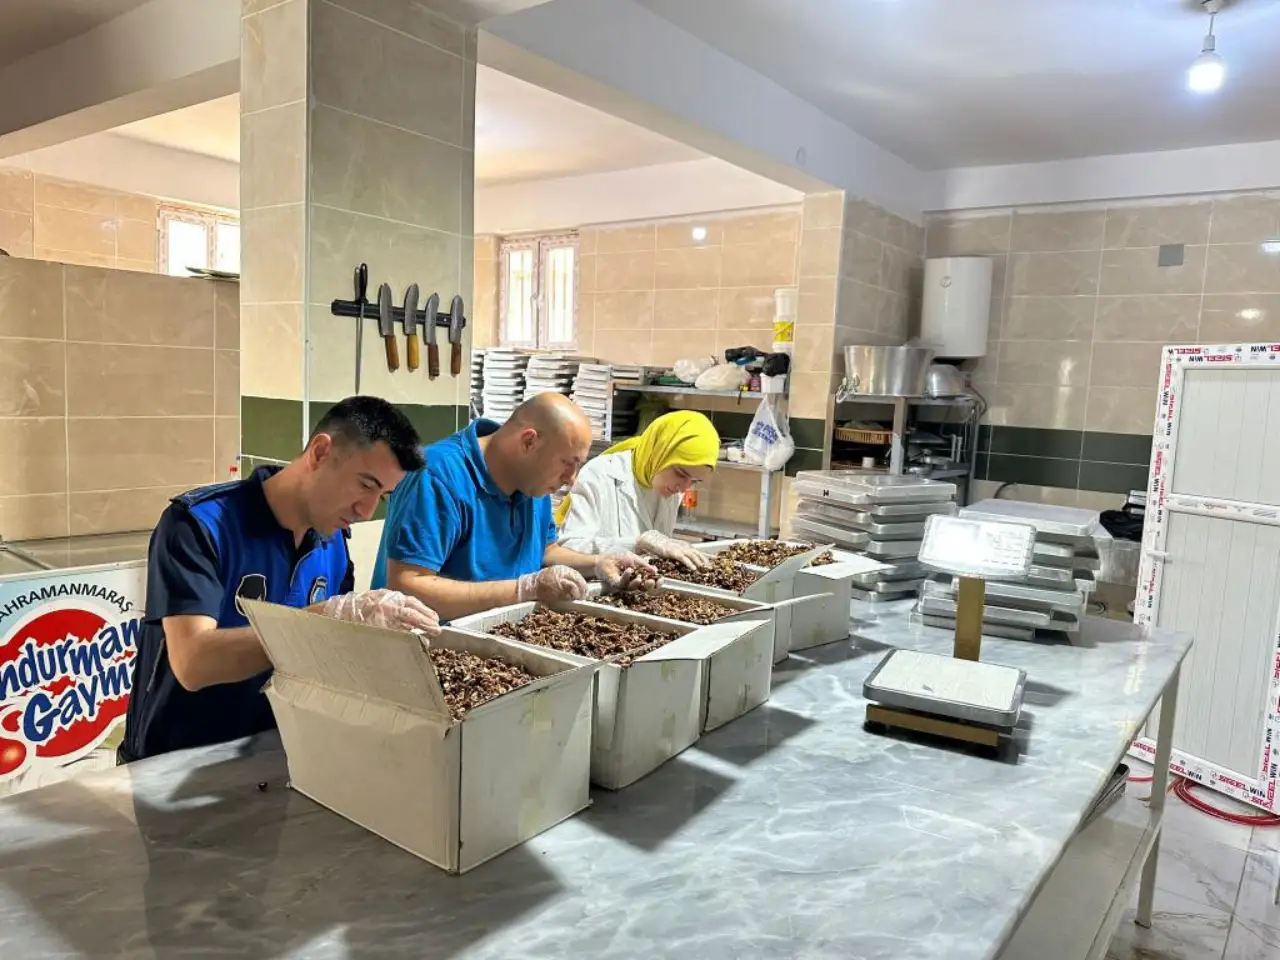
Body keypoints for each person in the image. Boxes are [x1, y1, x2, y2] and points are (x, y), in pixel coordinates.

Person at [121, 396, 441, 763]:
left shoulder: (333, 545)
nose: (366, 511)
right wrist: (325, 619)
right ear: (320, 452)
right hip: (172, 760)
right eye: (365, 485)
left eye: (382, 497)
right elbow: (193, 662)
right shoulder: (200, 525)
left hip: (276, 753)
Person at [374, 393, 655, 620]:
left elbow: (546, 551)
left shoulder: (531, 481)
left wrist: (598, 563)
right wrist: (524, 589)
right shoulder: (436, 476)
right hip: (433, 644)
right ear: (529, 442)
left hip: (500, 637)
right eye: (567, 463)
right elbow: (408, 586)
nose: (571, 479)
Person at [556, 410, 719, 570]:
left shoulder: (671, 488)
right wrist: (636, 543)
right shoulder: (599, 475)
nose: (683, 488)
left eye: (694, 481)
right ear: (660, 452)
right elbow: (568, 547)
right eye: (681, 474)